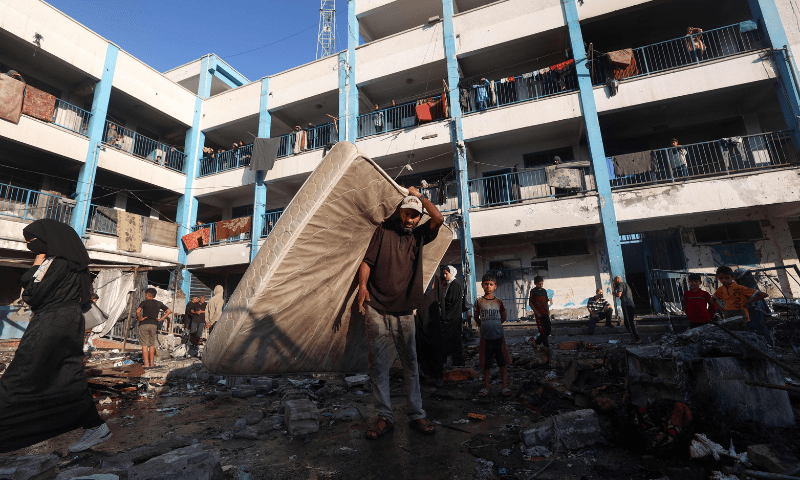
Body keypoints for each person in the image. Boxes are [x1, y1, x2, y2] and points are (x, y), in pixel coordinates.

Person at [0, 219, 111, 453]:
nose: (31, 246)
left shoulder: (59, 263)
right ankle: (94, 425)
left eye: (33, 242)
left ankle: (8, 429)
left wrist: (35, 265)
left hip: (53, 321)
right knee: (65, 373)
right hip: (61, 320)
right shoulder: (67, 261)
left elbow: (33, 295)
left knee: (23, 371)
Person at [357, 188, 443, 440]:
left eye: (415, 215)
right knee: (379, 367)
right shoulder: (383, 230)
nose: (410, 219)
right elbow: (367, 261)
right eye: (407, 213)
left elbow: (438, 219)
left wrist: (421, 196)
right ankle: (385, 417)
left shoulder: (420, 235)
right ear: (399, 211)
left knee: (410, 364)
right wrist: (362, 286)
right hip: (377, 307)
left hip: (405, 309)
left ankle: (417, 414)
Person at [475, 273, 511, 398]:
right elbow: (476, 317)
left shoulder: (498, 301)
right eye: (486, 284)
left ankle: (504, 387)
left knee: (502, 363)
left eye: (491, 284)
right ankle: (486, 387)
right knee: (486, 364)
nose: (488, 286)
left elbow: (504, 315)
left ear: (495, 286)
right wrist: (483, 325)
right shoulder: (479, 301)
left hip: (499, 337)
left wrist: (496, 324)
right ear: (482, 286)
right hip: (485, 338)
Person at [712, 266, 769, 331]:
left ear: (733, 277)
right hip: (729, 316)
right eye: (721, 278)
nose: (724, 280)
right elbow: (712, 300)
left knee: (743, 333)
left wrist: (748, 301)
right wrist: (722, 310)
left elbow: (764, 294)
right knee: (732, 334)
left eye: (727, 278)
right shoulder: (721, 289)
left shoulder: (740, 288)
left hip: (741, 315)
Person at [415, 275, 445, 386]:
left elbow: (440, 297)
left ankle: (437, 375)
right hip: (422, 316)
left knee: (434, 347)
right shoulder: (420, 277)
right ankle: (426, 374)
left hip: (432, 317)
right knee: (422, 346)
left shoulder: (433, 277)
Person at [733, 268, 772, 343]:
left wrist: (748, 301)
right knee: (753, 326)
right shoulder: (744, 286)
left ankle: (766, 342)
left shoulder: (749, 284)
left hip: (755, 309)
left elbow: (763, 295)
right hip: (750, 309)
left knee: (758, 326)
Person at [136, 288, 171, 368]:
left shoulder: (144, 302)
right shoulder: (159, 303)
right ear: (154, 296)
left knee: (144, 345)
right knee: (152, 345)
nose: (145, 296)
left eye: (145, 295)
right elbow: (169, 311)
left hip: (144, 324)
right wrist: (161, 319)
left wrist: (140, 318)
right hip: (154, 324)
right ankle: (151, 363)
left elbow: (138, 311)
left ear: (147, 295)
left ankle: (146, 364)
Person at [441, 265, 466, 367]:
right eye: (444, 273)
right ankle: (456, 362)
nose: (444, 275)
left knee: (451, 339)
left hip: (452, 317)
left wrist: (442, 303)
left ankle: (456, 362)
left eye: (446, 273)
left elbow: (450, 301)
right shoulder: (451, 284)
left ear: (451, 273)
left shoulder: (454, 284)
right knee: (454, 340)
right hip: (453, 316)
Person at [613, 275, 641, 343]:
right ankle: (635, 337)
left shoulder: (621, 284)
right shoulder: (625, 285)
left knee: (629, 323)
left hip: (626, 305)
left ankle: (636, 339)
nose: (614, 282)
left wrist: (614, 293)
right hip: (630, 305)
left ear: (617, 280)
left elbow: (619, 295)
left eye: (614, 281)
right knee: (627, 322)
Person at [528, 275, 552, 347]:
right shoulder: (533, 292)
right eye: (539, 284)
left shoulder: (544, 291)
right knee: (543, 332)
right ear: (535, 283)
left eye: (542, 283)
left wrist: (548, 312)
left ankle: (536, 343)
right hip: (539, 315)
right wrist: (537, 313)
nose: (541, 285)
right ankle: (546, 347)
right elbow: (530, 303)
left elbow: (546, 302)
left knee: (548, 331)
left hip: (545, 313)